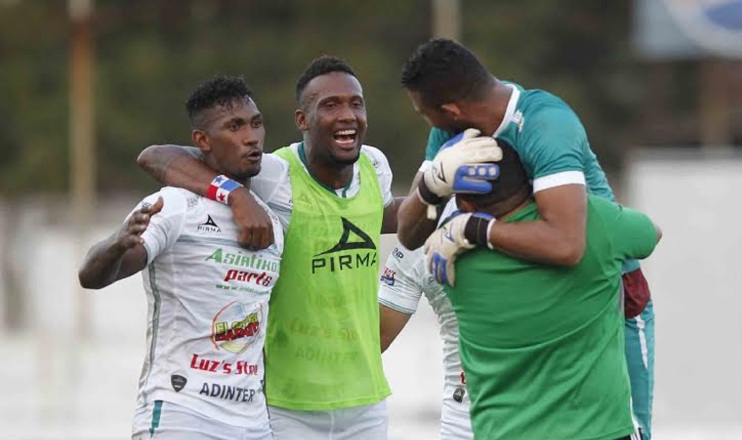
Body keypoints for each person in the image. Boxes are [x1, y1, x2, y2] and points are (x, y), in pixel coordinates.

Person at [396, 38, 657, 439]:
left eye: (425, 114)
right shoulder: (454, 132)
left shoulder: (546, 124)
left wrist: (474, 229)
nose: (427, 124)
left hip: (602, 290)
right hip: (526, 287)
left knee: (623, 428)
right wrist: (431, 185)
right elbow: (411, 234)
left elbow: (568, 244)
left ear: (449, 110)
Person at [136, 56, 400, 440]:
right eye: (330, 105)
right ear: (302, 120)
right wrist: (237, 195)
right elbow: (156, 157)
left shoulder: (375, 166)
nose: (347, 115)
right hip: (286, 404)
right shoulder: (273, 175)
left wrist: (448, 198)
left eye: (356, 103)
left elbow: (385, 215)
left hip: (367, 404)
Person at [77, 75, 285, 440]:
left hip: (252, 422)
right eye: (234, 127)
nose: (251, 137)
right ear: (202, 141)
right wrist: (117, 242)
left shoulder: (272, 223)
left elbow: (253, 322)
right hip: (181, 413)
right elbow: (91, 275)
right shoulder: (175, 205)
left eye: (256, 123)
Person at [424, 140, 660, 439]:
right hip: (600, 431)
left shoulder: (450, 262)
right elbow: (651, 234)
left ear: (464, 204)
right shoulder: (596, 223)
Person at [378, 233, 474, 440]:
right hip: (464, 423)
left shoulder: (553, 234)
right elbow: (374, 340)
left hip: (545, 418)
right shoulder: (417, 242)